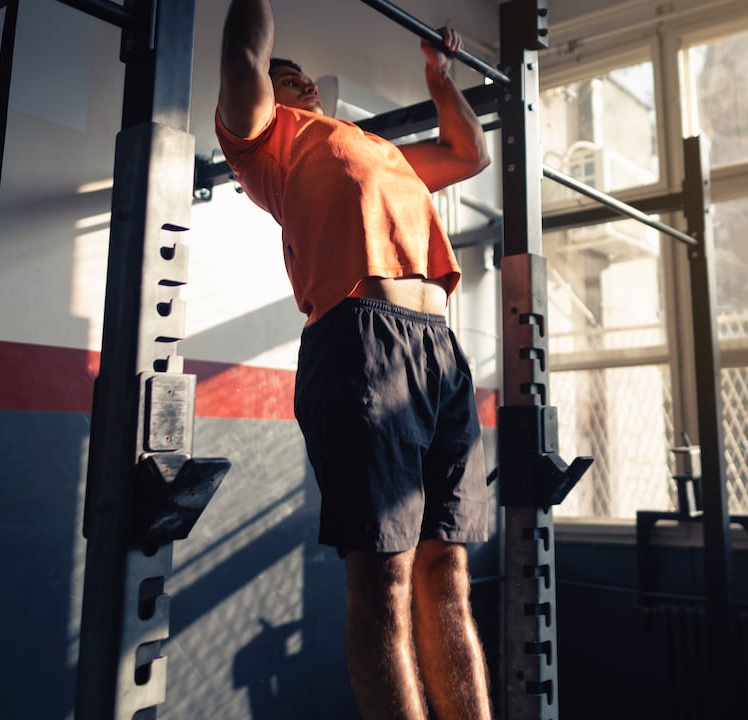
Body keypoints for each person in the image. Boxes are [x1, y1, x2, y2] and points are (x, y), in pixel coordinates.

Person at [216, 1, 494, 719]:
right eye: (289, 75)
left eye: (305, 75)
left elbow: (471, 154)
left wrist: (440, 77)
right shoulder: (265, 145)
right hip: (360, 339)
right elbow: (246, 57)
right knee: (386, 581)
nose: (302, 80)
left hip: (440, 350)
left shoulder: (378, 150)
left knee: (449, 572)